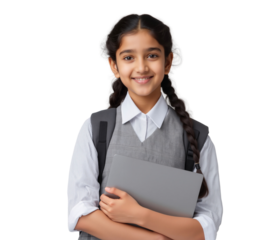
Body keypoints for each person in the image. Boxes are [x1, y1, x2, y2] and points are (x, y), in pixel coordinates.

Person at [66, 12, 224, 240]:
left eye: (151, 55)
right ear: (114, 65)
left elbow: (207, 227)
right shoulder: (94, 128)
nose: (141, 67)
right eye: (128, 57)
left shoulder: (198, 138)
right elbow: (79, 213)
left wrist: (140, 215)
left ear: (168, 62)